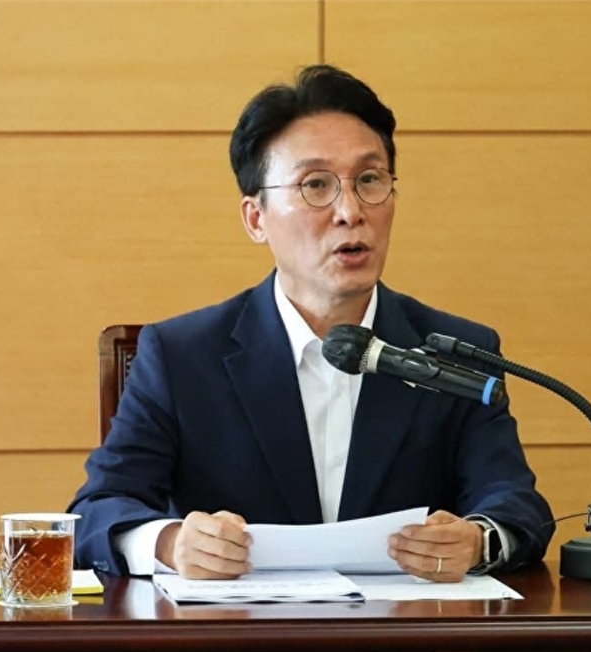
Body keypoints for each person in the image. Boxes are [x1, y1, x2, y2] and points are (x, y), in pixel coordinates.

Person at [69, 64, 554, 581]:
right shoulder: (181, 356)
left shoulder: (455, 352)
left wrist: (477, 541)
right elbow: (97, 510)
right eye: (315, 185)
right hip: (236, 629)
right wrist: (170, 544)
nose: (350, 211)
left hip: (403, 629)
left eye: (370, 180)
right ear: (256, 218)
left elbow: (515, 504)